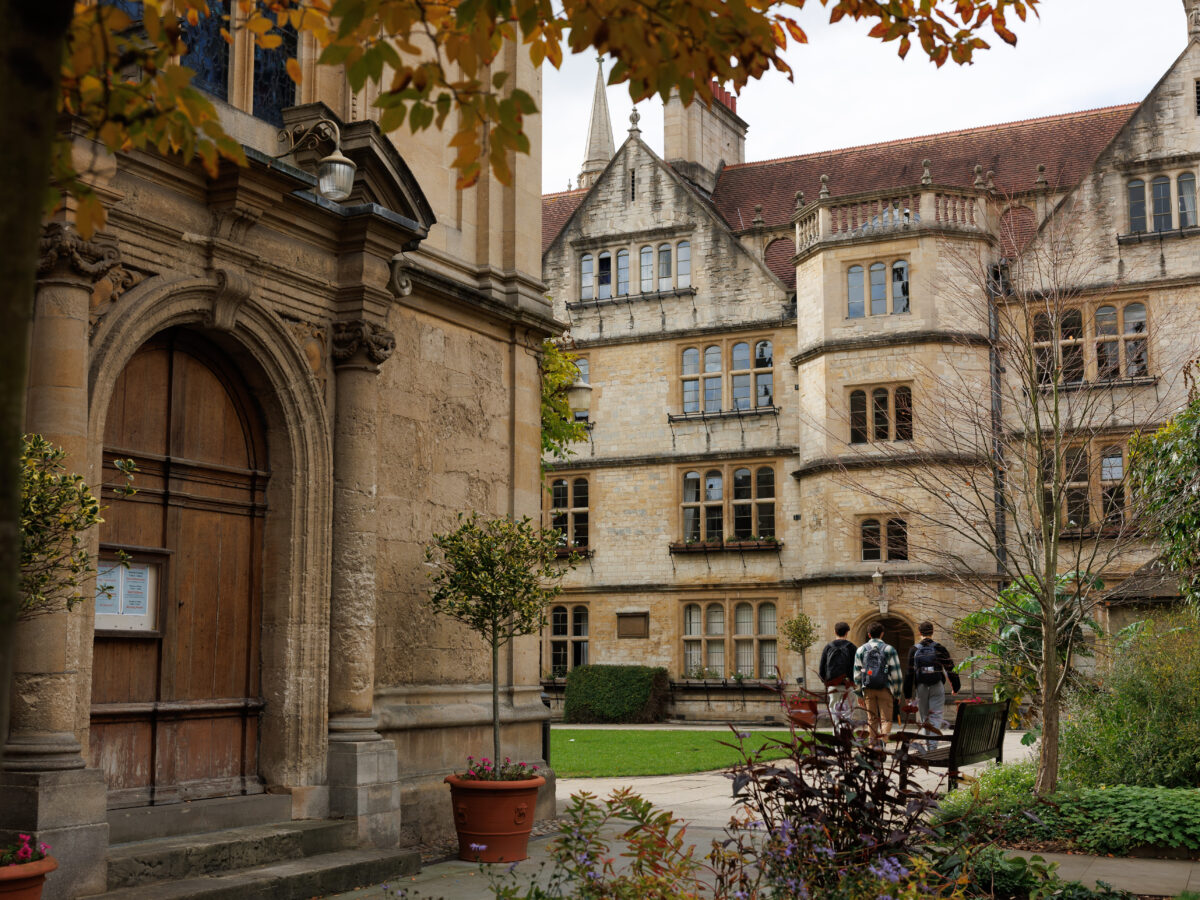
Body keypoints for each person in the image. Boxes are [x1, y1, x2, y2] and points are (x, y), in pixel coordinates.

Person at [902, 620, 961, 753]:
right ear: (932, 632)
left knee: (924, 718)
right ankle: (933, 748)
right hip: (936, 685)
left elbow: (909, 673)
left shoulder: (914, 649)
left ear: (919, 633)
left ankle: (929, 747)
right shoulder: (939, 648)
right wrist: (955, 687)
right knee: (935, 717)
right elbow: (950, 668)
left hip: (921, 687)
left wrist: (907, 694)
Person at [853, 621, 902, 748]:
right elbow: (896, 674)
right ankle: (883, 742)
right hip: (885, 688)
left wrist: (859, 693)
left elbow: (858, 673)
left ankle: (871, 746)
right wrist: (897, 693)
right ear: (882, 634)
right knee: (886, 719)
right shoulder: (889, 649)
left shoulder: (861, 650)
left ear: (869, 635)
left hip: (868, 688)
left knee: (872, 719)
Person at [817, 621, 857, 724]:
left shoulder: (828, 647)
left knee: (834, 711)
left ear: (835, 632)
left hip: (833, 684)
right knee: (848, 711)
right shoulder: (852, 647)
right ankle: (845, 736)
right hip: (848, 684)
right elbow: (857, 667)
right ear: (847, 633)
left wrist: (826, 682)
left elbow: (821, 668)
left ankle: (837, 734)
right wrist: (854, 682)